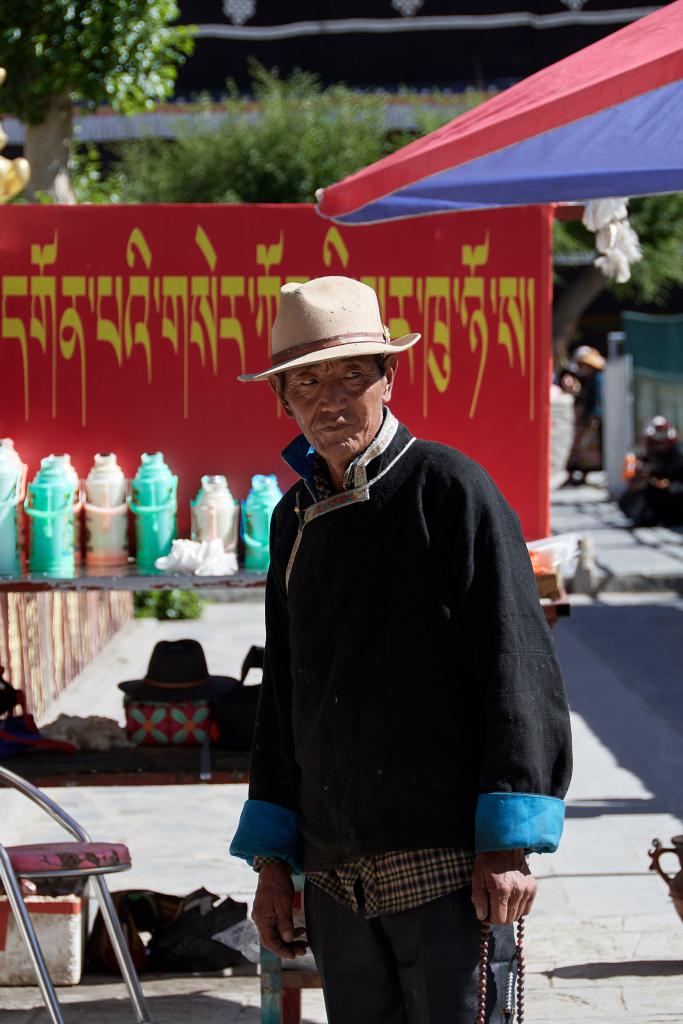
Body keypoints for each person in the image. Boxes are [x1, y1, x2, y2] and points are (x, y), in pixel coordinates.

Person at [230, 276, 572, 1024]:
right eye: (306, 381)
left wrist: (506, 843)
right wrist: (271, 862)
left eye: (353, 375)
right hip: (333, 871)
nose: (329, 400)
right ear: (280, 398)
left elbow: (517, 668)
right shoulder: (294, 518)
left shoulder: (450, 489)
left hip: (447, 863)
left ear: (390, 377)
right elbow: (286, 698)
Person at [619, 415, 683, 527]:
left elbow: (672, 472)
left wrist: (653, 471)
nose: (660, 446)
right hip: (654, 497)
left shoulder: (677, 454)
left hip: (674, 494)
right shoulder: (645, 453)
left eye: (663, 442)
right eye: (656, 442)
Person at [560, 345, 605, 486]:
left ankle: (581, 474)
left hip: (590, 419)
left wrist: (593, 416)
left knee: (585, 449)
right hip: (585, 418)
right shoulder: (587, 379)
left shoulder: (597, 380)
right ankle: (574, 473)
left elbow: (596, 400)